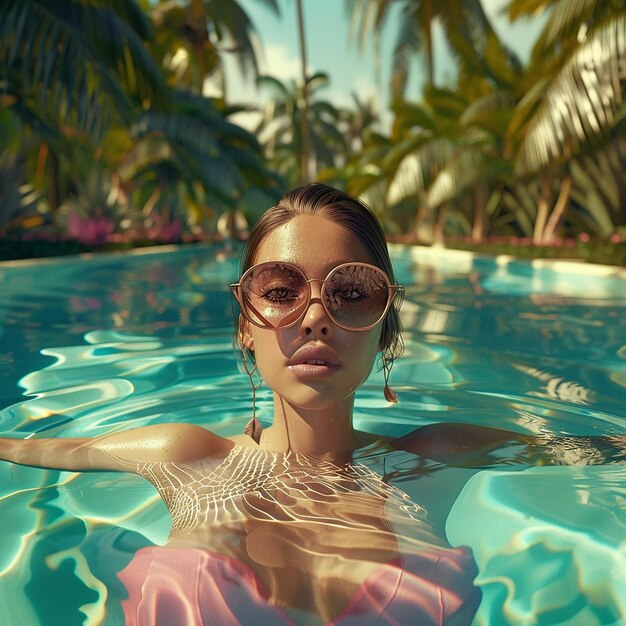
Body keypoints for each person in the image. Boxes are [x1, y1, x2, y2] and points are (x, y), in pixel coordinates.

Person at [1, 184, 623, 625]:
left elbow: (603, 451)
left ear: (386, 326)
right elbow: (23, 448)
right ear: (245, 322)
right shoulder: (185, 457)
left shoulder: (435, 457)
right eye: (280, 291)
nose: (316, 318)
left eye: (351, 292)